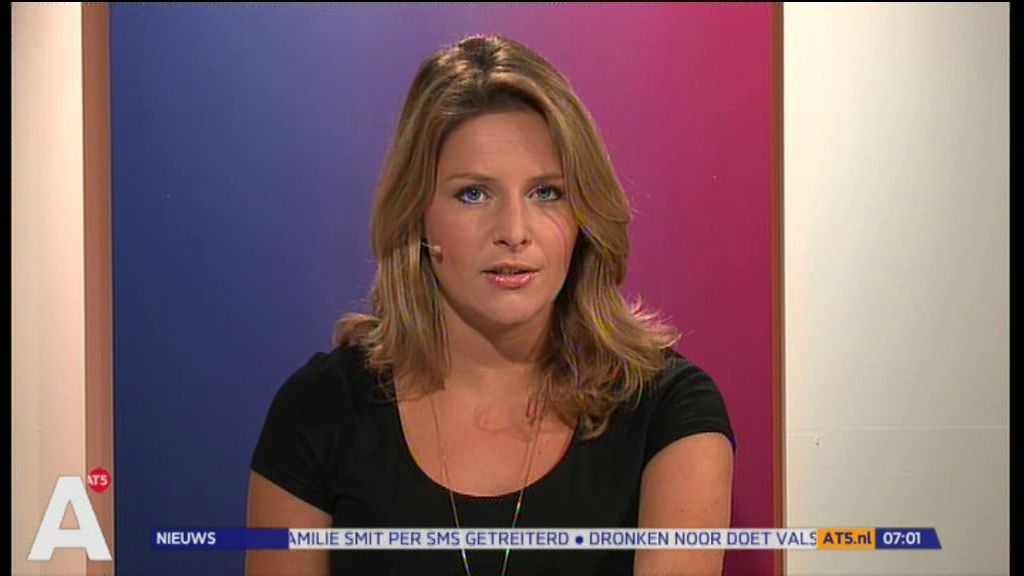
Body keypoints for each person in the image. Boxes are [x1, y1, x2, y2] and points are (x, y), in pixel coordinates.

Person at [247, 33, 735, 576]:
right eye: (473, 194)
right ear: (417, 216)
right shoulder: (320, 412)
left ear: (583, 216)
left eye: (546, 192)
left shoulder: (669, 412)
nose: (514, 231)